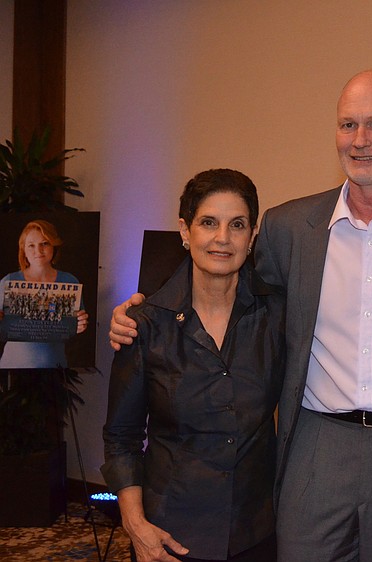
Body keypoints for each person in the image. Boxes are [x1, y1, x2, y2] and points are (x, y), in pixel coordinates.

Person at [110, 70, 372, 561]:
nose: (359, 140)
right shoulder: (288, 228)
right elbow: (223, 274)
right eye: (347, 125)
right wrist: (145, 309)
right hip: (314, 445)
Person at [102, 169, 285, 562]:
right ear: (185, 231)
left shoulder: (277, 316)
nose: (223, 238)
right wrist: (135, 526)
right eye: (208, 223)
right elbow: (121, 437)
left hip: (255, 533)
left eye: (237, 225)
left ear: (252, 235)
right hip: (169, 536)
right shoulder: (144, 325)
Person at [0, 219, 88, 369]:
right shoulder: (8, 281)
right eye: (31, 245)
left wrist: (80, 324)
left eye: (45, 243)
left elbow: (74, 326)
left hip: (55, 365)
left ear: (53, 245)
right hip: (13, 366)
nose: (38, 250)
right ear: (23, 250)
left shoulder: (69, 281)